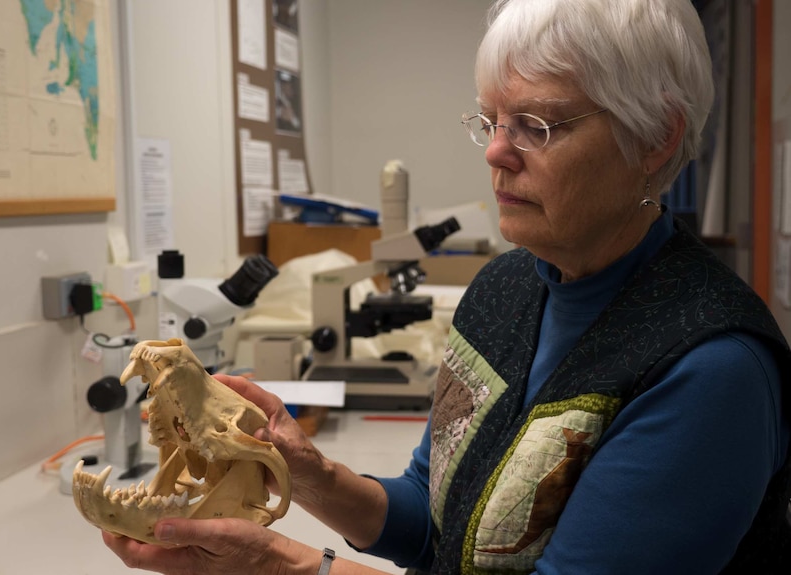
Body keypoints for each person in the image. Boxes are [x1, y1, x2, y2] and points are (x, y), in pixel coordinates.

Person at [103, 0, 791, 573]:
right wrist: (303, 468)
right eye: (491, 120)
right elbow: (434, 521)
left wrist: (284, 563)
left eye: (537, 126)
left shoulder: (710, 368)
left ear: (656, 140)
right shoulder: (502, 290)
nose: (495, 151)